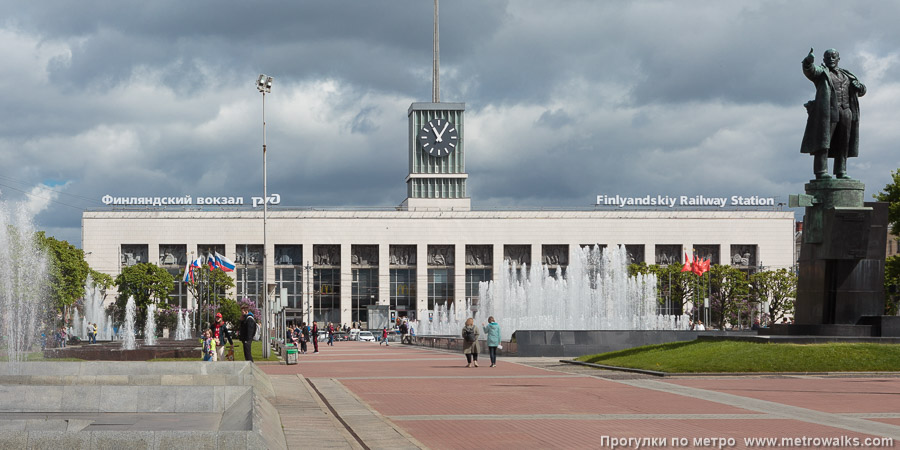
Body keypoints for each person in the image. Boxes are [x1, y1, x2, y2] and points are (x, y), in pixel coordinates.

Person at [801, 48, 866, 180]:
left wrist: (860, 87)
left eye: (833, 56)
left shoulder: (847, 74)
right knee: (823, 143)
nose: (830, 59)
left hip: (846, 111)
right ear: (824, 59)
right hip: (828, 112)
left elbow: (861, 90)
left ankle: (841, 171)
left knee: (843, 144)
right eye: (827, 57)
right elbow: (810, 70)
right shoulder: (822, 72)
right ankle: (821, 171)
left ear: (838, 59)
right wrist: (808, 62)